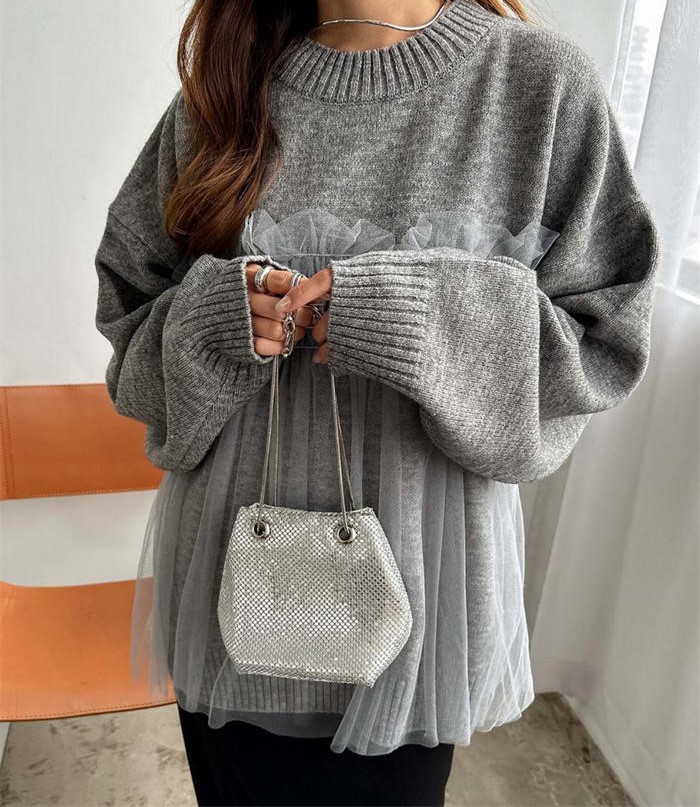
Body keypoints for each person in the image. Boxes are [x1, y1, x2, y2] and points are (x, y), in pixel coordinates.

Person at [93, 0, 659, 804]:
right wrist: (214, 319)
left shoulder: (536, 85)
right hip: (227, 600)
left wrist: (416, 316)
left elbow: (604, 345)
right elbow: (132, 328)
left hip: (421, 625)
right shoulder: (226, 88)